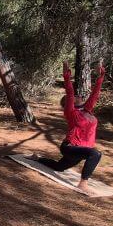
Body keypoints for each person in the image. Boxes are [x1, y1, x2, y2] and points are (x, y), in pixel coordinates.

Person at [33, 60, 105, 195]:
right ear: (68, 102)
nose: (78, 95)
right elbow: (70, 92)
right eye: (75, 97)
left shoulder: (87, 110)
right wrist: (66, 76)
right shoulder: (71, 112)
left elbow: (95, 94)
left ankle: (37, 158)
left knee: (59, 167)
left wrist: (100, 76)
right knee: (95, 154)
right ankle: (82, 184)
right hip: (70, 147)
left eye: (78, 95)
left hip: (81, 149)